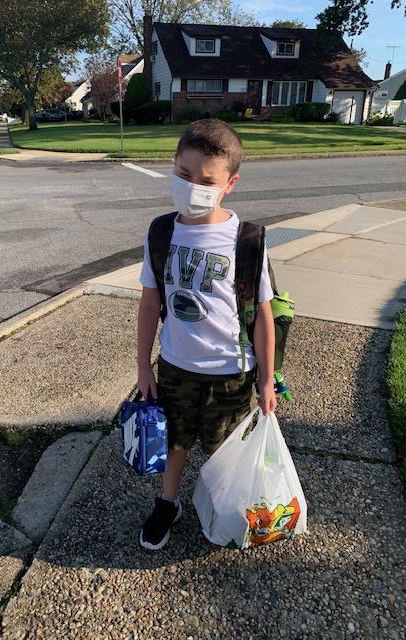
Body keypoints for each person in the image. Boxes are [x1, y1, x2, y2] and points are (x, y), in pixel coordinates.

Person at [137, 118, 277, 550]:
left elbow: (263, 317)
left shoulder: (246, 241)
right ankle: (168, 501)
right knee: (175, 441)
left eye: (206, 180)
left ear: (229, 183)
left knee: (224, 450)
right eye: (184, 174)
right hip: (177, 366)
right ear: (173, 164)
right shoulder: (162, 232)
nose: (192, 186)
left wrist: (267, 379)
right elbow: (149, 304)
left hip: (231, 372)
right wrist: (143, 367)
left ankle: (219, 503)